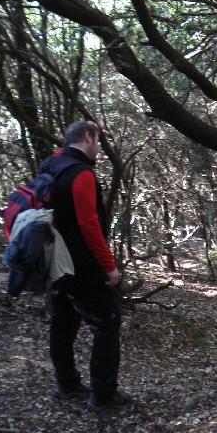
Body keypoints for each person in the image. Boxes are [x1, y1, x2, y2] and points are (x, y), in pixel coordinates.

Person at [40, 120, 131, 411]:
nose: (100, 149)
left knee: (63, 321)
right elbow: (89, 225)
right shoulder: (81, 174)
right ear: (88, 137)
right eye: (99, 140)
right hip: (80, 265)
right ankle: (103, 395)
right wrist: (109, 266)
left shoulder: (51, 164)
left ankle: (66, 384)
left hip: (52, 260)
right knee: (106, 324)